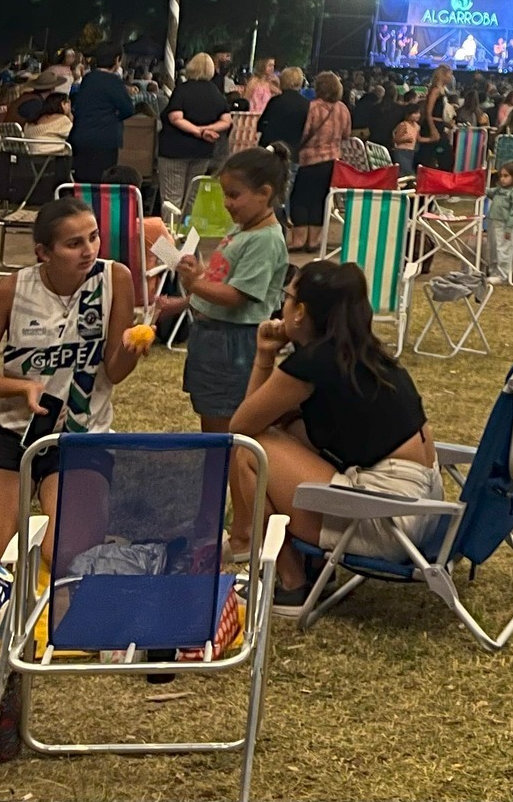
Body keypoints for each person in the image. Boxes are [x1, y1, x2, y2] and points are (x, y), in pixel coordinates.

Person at [227, 259, 441, 613]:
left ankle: (293, 581)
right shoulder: (363, 351)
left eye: (288, 297)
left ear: (300, 313)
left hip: (387, 518)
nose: (283, 305)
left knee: (251, 453)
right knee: (290, 431)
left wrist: (264, 356)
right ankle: (310, 569)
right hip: (423, 508)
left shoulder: (313, 363)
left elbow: (242, 428)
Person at [0, 197, 144, 562]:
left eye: (94, 237)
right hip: (13, 433)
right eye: (74, 243)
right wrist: (22, 386)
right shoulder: (11, 290)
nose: (89, 251)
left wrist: (129, 352)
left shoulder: (115, 279)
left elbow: (113, 372)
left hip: (82, 436)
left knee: (67, 556)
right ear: (43, 253)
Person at [175, 146, 292, 434]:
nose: (226, 203)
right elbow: (224, 279)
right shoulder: (243, 228)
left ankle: (225, 473)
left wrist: (194, 284)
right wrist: (198, 275)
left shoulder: (265, 240)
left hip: (233, 342)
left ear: (264, 193)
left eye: (234, 195)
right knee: (210, 410)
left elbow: (236, 297)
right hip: (214, 338)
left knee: (224, 422)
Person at [159, 52, 232, 213]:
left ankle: (170, 235)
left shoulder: (182, 90)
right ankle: (186, 233)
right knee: (191, 198)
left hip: (175, 150)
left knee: (172, 199)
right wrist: (208, 130)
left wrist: (198, 131)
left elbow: (175, 117)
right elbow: (227, 121)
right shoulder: (216, 93)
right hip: (203, 152)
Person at [288, 73, 351, 253]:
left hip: (309, 160)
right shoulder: (343, 109)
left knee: (299, 199)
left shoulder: (312, 108)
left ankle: (299, 239)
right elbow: (346, 134)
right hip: (332, 161)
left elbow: (305, 131)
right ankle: (314, 241)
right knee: (320, 200)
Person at [68, 44, 136, 182]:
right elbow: (128, 109)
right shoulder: (113, 81)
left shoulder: (88, 79)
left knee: (82, 180)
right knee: (102, 181)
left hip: (81, 135)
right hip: (105, 138)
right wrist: (113, 117)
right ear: (117, 60)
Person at [487, 161, 513, 281]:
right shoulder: (499, 190)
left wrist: (509, 228)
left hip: (505, 225)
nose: (502, 179)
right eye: (501, 176)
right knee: (493, 248)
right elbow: (488, 192)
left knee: (503, 249)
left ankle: (503, 274)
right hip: (493, 222)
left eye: (506, 176)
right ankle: (493, 271)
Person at [418, 66, 455, 169]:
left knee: (438, 156)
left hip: (438, 124)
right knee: (441, 156)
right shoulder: (435, 90)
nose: (451, 77)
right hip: (433, 126)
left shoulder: (442, 91)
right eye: (450, 74)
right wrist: (433, 129)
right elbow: (429, 111)